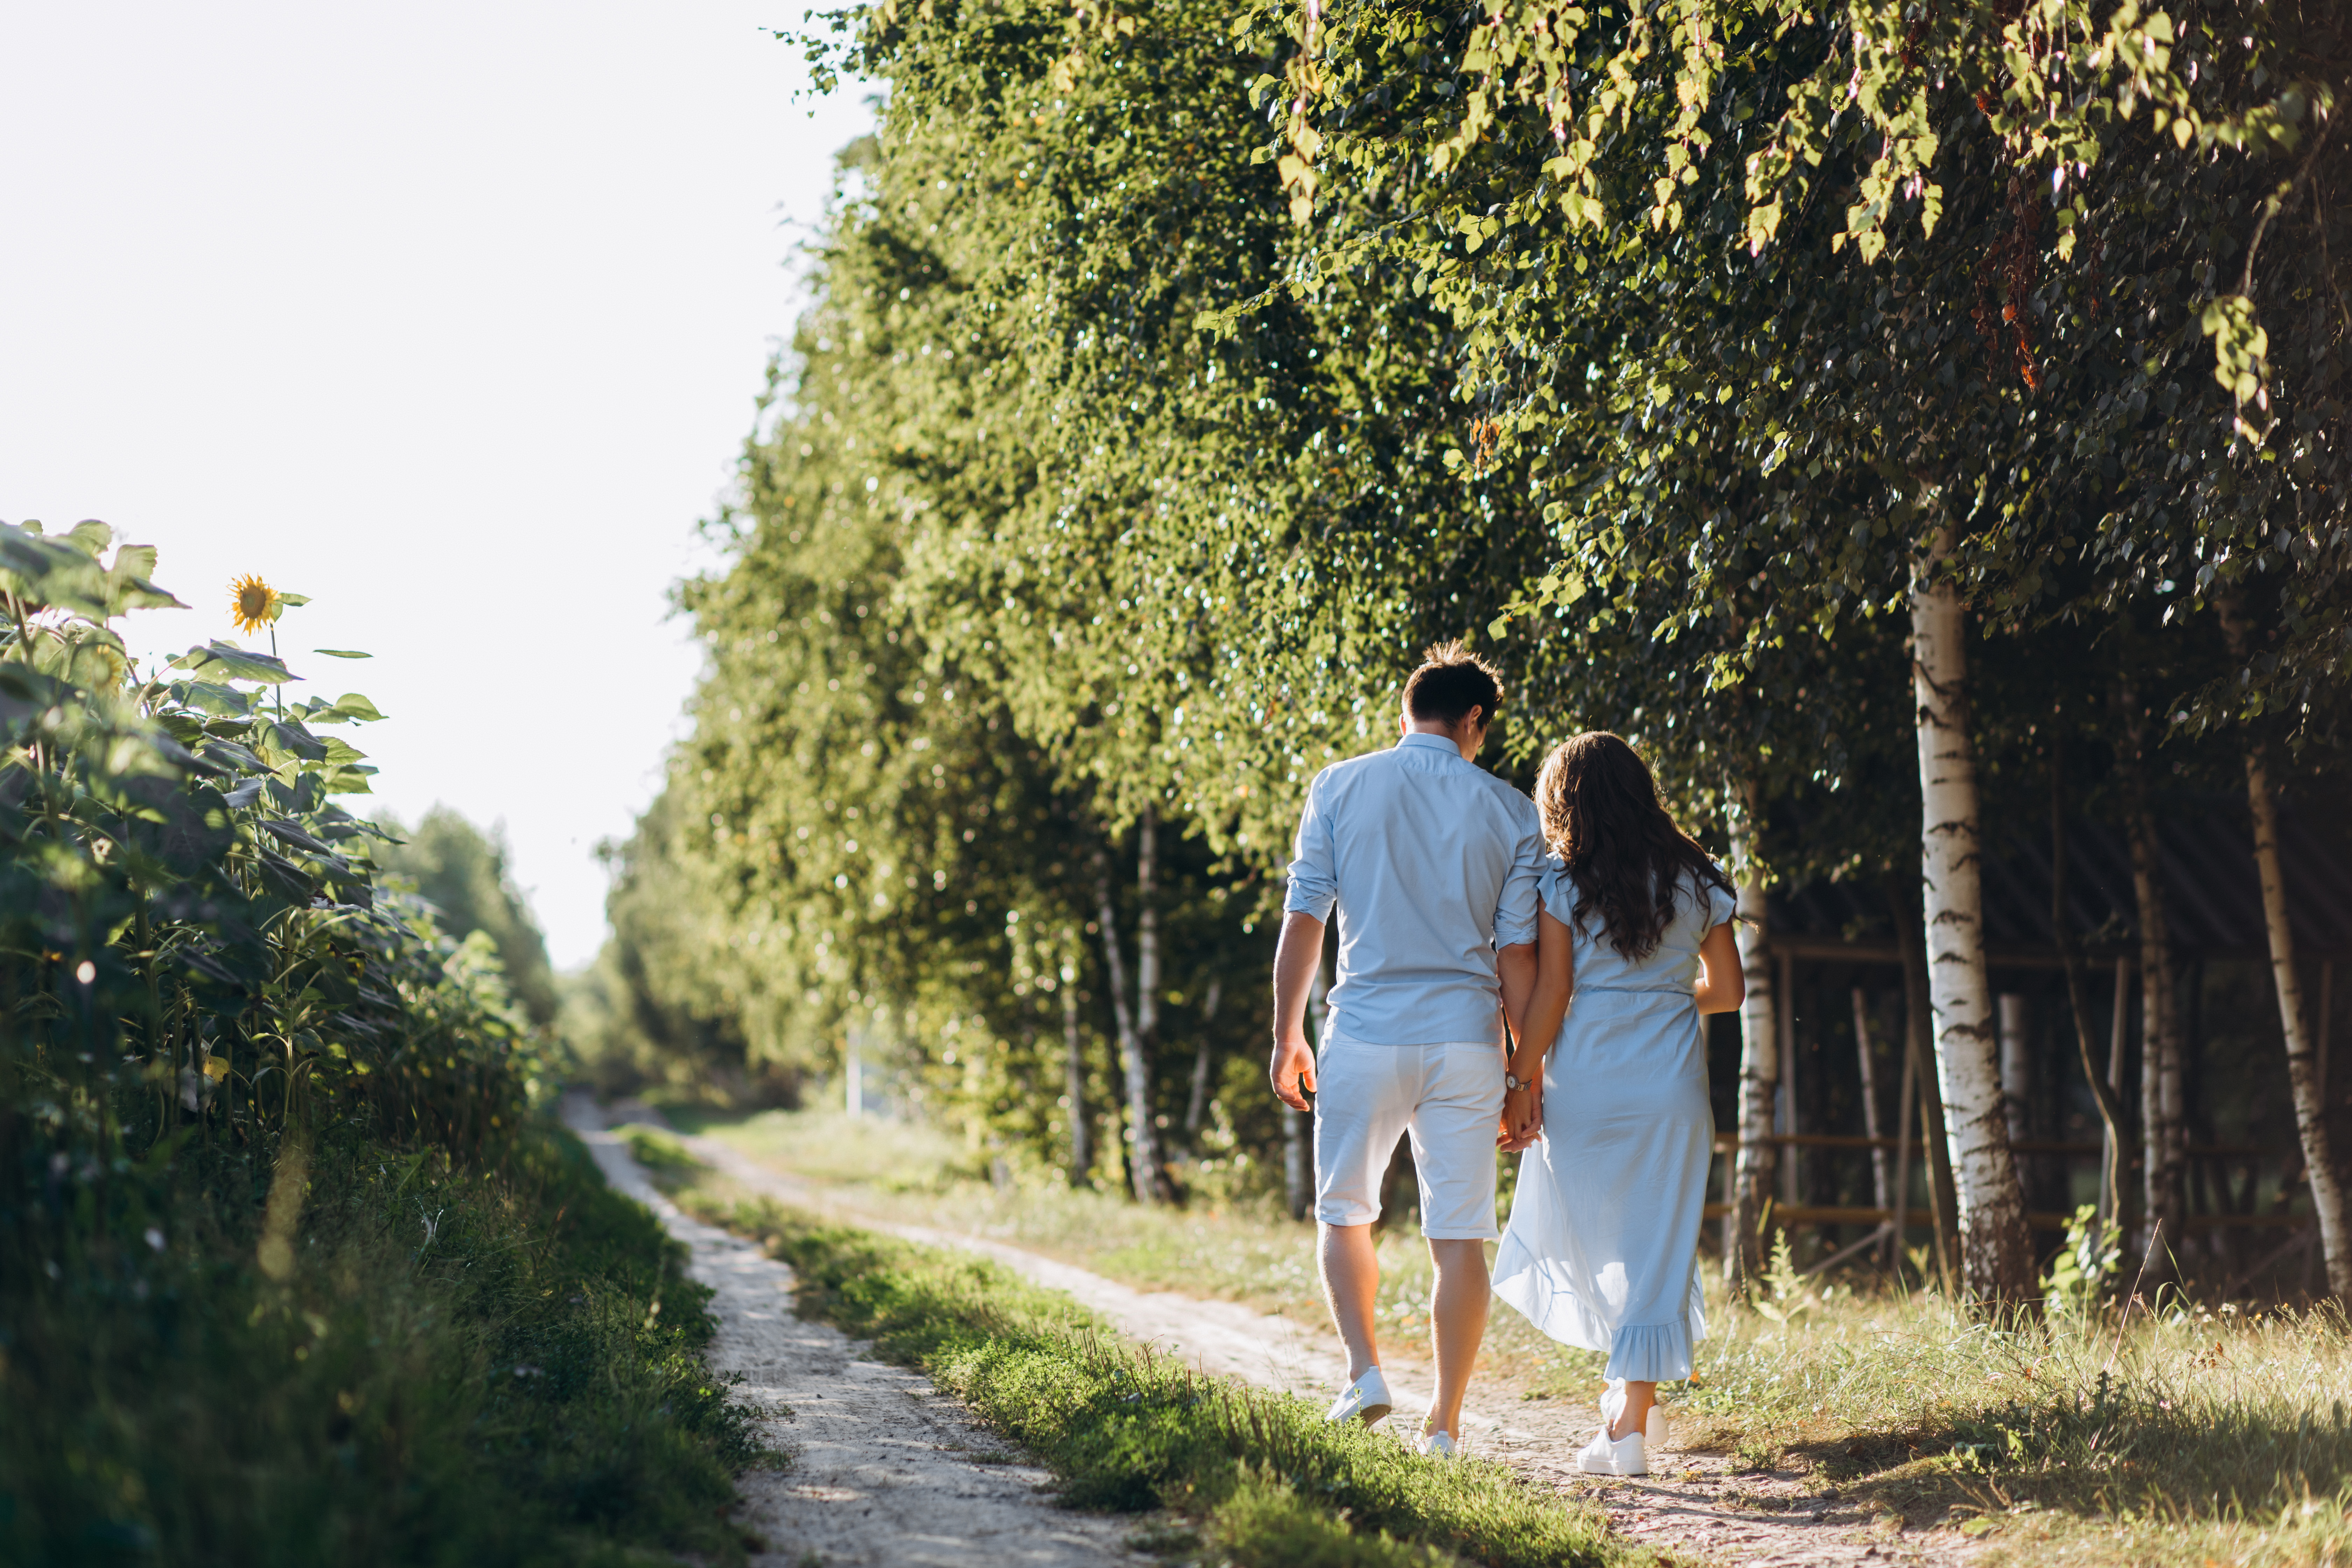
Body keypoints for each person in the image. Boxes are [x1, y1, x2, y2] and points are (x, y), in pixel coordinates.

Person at [1268, 641, 1550, 1459]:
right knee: (1459, 1234)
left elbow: (1305, 920)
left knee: (1344, 1209)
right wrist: (1522, 1073)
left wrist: (1288, 1032)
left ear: (1406, 711)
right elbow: (1517, 957)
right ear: (1474, 721)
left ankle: (1364, 1373)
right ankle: (1445, 1423)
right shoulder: (1510, 811)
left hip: (1361, 1032)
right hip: (1465, 1040)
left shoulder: (1340, 784)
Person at [1490, 732, 1746, 1477]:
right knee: (1657, 1242)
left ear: (1566, 801)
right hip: (1670, 1088)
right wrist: (1665, 994)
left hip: (1587, 1085)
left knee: (1597, 1236)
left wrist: (1518, 1080)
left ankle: (1629, 1426)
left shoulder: (1564, 882)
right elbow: (1728, 992)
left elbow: (1553, 993)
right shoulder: (1700, 877)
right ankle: (1632, 1401)